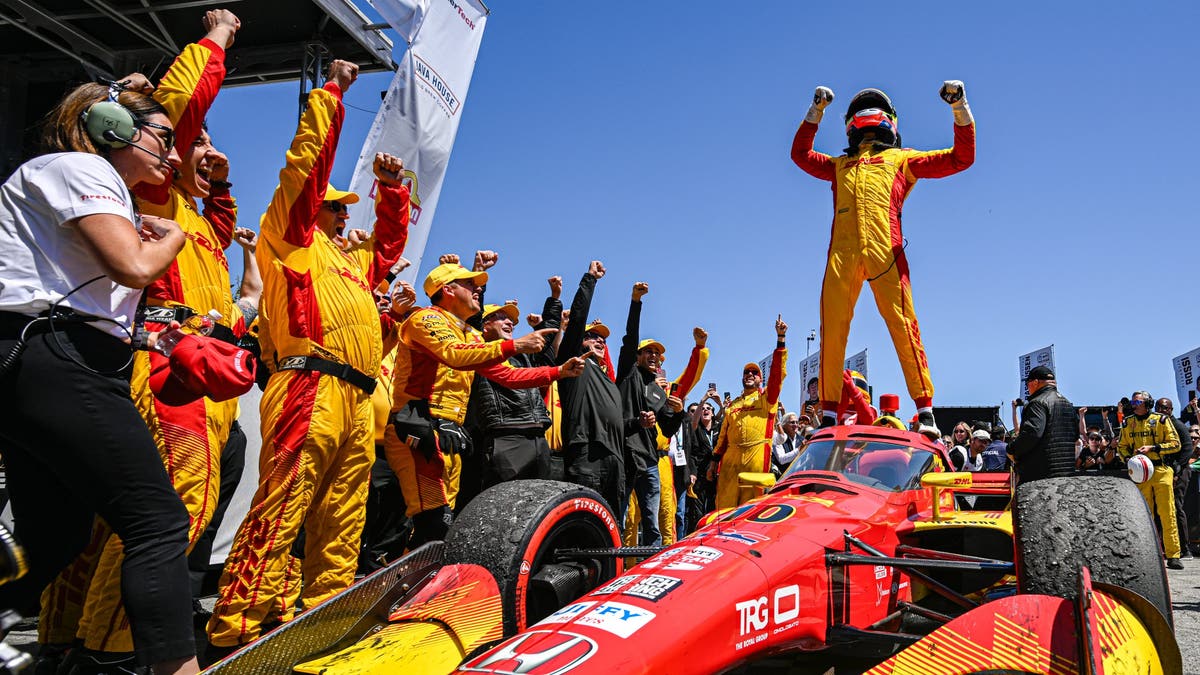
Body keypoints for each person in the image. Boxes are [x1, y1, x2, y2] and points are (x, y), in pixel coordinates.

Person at [31, 14, 248, 667]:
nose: (194, 152)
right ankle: (115, 651)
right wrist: (216, 41)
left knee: (119, 525)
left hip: (199, 372)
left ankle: (72, 645)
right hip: (165, 369)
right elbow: (174, 109)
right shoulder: (151, 183)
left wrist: (223, 179)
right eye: (188, 140)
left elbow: (219, 220)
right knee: (166, 513)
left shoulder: (191, 208)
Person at [207, 60, 411, 650]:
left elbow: (390, 245)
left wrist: (393, 192)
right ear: (312, 209)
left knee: (344, 509)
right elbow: (303, 170)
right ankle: (241, 624)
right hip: (307, 384)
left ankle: (325, 610)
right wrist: (332, 96)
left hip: (355, 393)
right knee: (285, 500)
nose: (346, 215)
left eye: (349, 208)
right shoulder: (289, 237)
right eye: (335, 206)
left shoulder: (348, 262)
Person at [0, 75, 199, 672]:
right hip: (55, 354)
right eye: (163, 136)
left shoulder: (82, 179)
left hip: (44, 358)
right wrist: (175, 240)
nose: (173, 151)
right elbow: (134, 267)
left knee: (54, 533)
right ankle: (177, 668)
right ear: (115, 131)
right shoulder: (81, 170)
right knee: (157, 522)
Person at [791, 81, 974, 434]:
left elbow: (961, 158)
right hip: (843, 255)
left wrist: (959, 107)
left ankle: (925, 411)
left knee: (904, 324)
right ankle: (828, 412)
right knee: (832, 329)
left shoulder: (900, 159)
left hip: (884, 250)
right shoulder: (839, 164)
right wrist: (815, 111)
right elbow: (800, 155)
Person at [386, 262, 583, 547]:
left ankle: (434, 587)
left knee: (442, 523)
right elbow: (453, 354)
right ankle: (406, 586)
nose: (478, 289)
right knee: (431, 522)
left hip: (449, 435)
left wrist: (558, 372)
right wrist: (515, 345)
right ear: (447, 289)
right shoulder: (425, 319)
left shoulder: (472, 334)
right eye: (470, 284)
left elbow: (508, 375)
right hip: (418, 428)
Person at [556, 262, 626, 515]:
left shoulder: (608, 378)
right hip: (586, 454)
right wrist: (590, 280)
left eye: (603, 339)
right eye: (592, 336)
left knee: (612, 526)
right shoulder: (575, 366)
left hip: (614, 459)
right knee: (584, 522)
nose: (599, 340)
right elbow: (577, 320)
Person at [707, 317, 788, 509]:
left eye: (754, 373)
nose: (750, 375)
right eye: (746, 373)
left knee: (751, 511)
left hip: (756, 460)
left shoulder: (767, 398)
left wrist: (781, 339)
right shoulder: (733, 405)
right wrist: (713, 463)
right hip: (729, 464)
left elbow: (778, 374)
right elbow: (722, 438)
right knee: (724, 510)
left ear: (761, 379)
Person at [1117, 392, 1183, 569]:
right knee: (1145, 516)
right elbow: (1121, 447)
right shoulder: (1127, 422)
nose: (1134, 404)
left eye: (1138, 401)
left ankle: (1173, 555)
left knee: (1167, 513)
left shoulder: (1161, 420)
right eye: (1133, 401)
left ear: (1148, 403)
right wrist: (1129, 460)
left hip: (1161, 469)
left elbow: (1176, 443)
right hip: (1140, 473)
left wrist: (1154, 448)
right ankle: (1149, 555)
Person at [1006, 366, 1076, 485]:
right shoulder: (1067, 403)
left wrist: (1011, 449)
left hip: (1040, 476)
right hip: (1066, 475)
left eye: (1028, 384)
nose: (1028, 388)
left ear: (1035, 382)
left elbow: (1032, 434)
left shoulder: (1037, 403)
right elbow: (1075, 436)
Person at [1156, 398, 1195, 560]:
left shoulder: (1177, 425)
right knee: (1162, 509)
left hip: (1180, 470)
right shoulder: (1157, 424)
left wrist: (1177, 470)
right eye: (1158, 407)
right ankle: (1164, 546)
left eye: (1165, 408)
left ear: (1171, 409)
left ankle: (1185, 549)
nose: (1162, 410)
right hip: (1165, 471)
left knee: (1176, 507)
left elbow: (1187, 449)